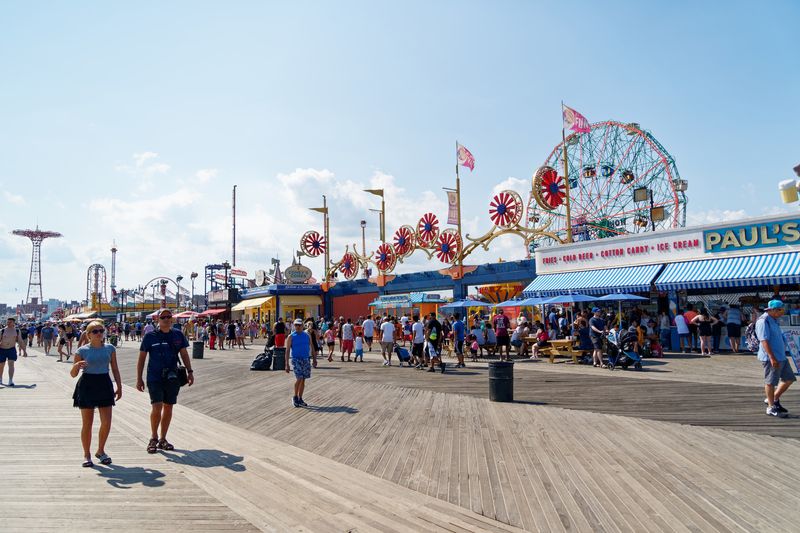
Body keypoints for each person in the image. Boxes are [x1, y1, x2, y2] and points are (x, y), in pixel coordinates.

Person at [136, 309, 194, 454]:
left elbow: (184, 354)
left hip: (172, 376)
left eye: (169, 317)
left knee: (168, 407)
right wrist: (139, 378)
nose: (167, 319)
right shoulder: (150, 336)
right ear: (158, 319)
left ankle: (163, 439)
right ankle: (154, 437)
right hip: (154, 376)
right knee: (157, 406)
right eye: (164, 317)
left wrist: (190, 371)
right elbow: (142, 358)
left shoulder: (178, 334)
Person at [70, 320, 122, 467]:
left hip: (104, 383)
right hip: (87, 384)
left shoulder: (110, 348)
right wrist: (76, 366)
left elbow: (115, 369)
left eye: (101, 331)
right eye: (95, 331)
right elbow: (73, 374)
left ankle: (100, 451)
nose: (99, 333)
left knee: (106, 422)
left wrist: (119, 386)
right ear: (88, 335)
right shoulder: (82, 351)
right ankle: (86, 454)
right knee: (88, 423)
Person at [756, 300, 795, 418]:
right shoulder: (763, 321)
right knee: (771, 382)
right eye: (780, 310)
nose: (782, 313)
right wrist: (772, 357)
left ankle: (773, 399)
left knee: (789, 378)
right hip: (771, 358)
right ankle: (770, 407)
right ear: (773, 310)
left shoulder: (774, 320)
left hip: (781, 355)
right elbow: (764, 341)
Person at [285, 318, 317, 408]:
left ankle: (300, 398)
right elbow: (287, 351)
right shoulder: (291, 336)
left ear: (303, 326)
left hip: (306, 359)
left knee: (303, 379)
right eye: (296, 325)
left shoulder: (307, 335)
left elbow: (312, 347)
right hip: (296, 360)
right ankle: (295, 397)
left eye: (299, 325)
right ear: (293, 326)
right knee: (299, 378)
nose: (298, 327)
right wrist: (286, 364)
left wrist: (314, 359)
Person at [0, 317, 24, 386]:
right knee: (1, 365)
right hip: (2, 349)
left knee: (11, 365)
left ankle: (10, 380)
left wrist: (24, 351)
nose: (8, 323)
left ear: (13, 323)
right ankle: (0, 379)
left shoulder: (17, 330)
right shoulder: (2, 330)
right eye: (8, 322)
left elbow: (20, 341)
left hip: (11, 349)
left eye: (10, 322)